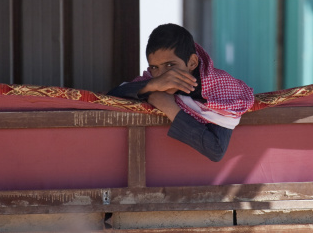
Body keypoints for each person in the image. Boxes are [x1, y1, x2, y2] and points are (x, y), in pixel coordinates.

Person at [108, 23, 254, 162]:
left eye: (170, 65)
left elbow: (216, 150)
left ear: (192, 63)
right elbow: (111, 98)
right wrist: (152, 84)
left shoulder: (219, 89)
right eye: (154, 67)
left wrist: (169, 108)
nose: (162, 75)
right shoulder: (151, 81)